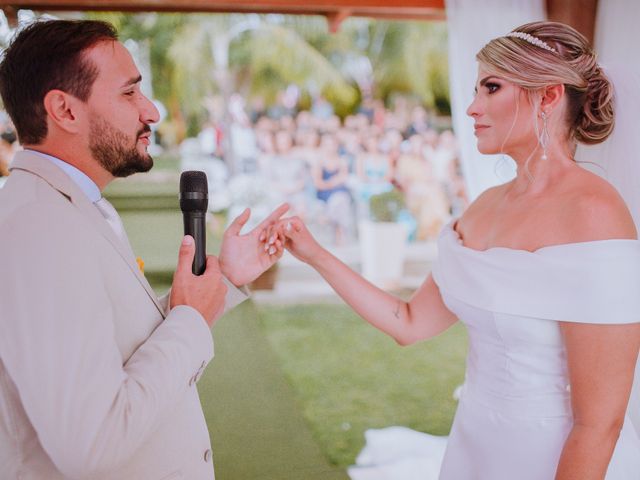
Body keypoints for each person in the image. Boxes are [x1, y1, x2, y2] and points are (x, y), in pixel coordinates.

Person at [269, 21, 640, 479]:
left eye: (490, 88)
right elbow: (409, 323)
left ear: (548, 96)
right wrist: (314, 254)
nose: (470, 108)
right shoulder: (483, 207)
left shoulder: (594, 214)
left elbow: (599, 422)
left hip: (553, 459)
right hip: (474, 448)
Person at [0, 20, 286, 479]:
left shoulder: (68, 208)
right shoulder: (38, 227)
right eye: (130, 93)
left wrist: (222, 280)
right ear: (65, 111)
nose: (151, 112)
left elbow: (115, 346)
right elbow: (92, 443)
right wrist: (190, 321)